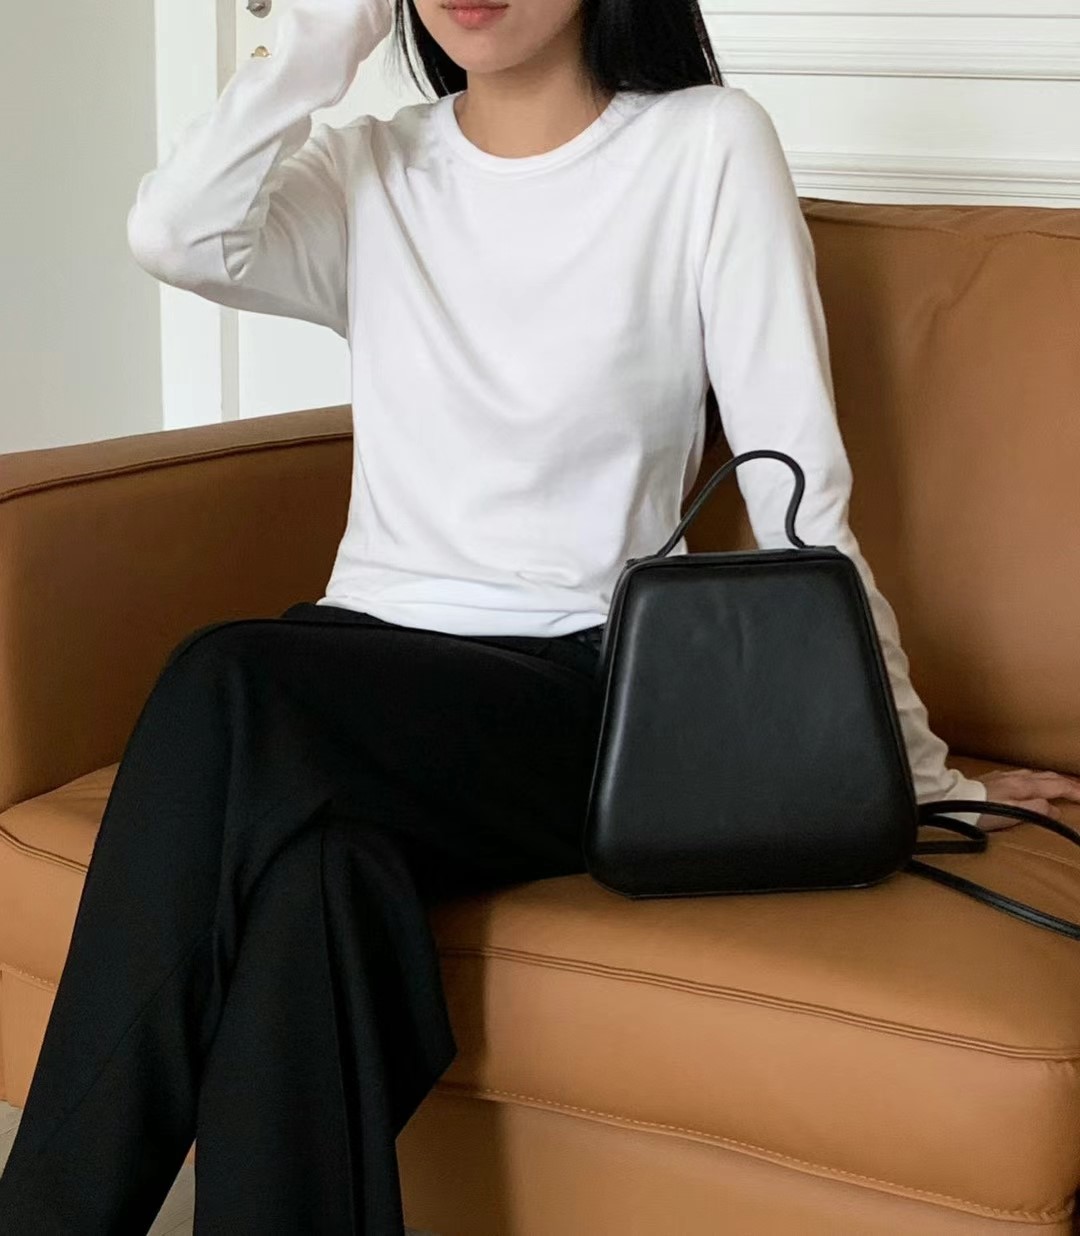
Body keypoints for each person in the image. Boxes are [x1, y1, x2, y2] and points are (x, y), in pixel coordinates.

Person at [4, 0, 1079, 1231]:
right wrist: (320, 37)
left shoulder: (703, 146)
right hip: (362, 678)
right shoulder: (374, 171)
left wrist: (916, 774)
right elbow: (174, 231)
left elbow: (800, 497)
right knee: (314, 886)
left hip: (584, 688)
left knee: (224, 679)